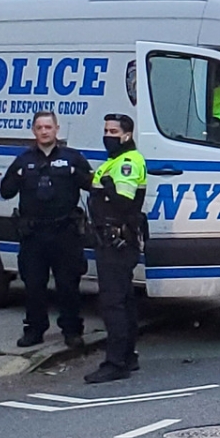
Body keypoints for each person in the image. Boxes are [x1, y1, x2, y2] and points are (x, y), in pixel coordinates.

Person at [0, 111, 92, 349]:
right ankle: (34, 330)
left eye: (48, 127)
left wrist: (75, 173)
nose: (44, 131)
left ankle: (72, 330)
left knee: (68, 285)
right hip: (34, 234)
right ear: (33, 131)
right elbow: (5, 190)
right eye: (39, 127)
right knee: (33, 285)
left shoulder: (72, 158)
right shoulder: (24, 160)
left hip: (65, 232)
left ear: (56, 129)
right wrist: (18, 177)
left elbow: (92, 184)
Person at [85, 114, 147, 384]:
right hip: (111, 239)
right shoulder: (114, 160)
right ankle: (128, 356)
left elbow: (123, 202)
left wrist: (107, 188)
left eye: (113, 131)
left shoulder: (128, 162)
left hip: (117, 240)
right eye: (106, 129)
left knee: (113, 302)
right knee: (123, 300)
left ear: (127, 135)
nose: (108, 134)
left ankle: (116, 362)